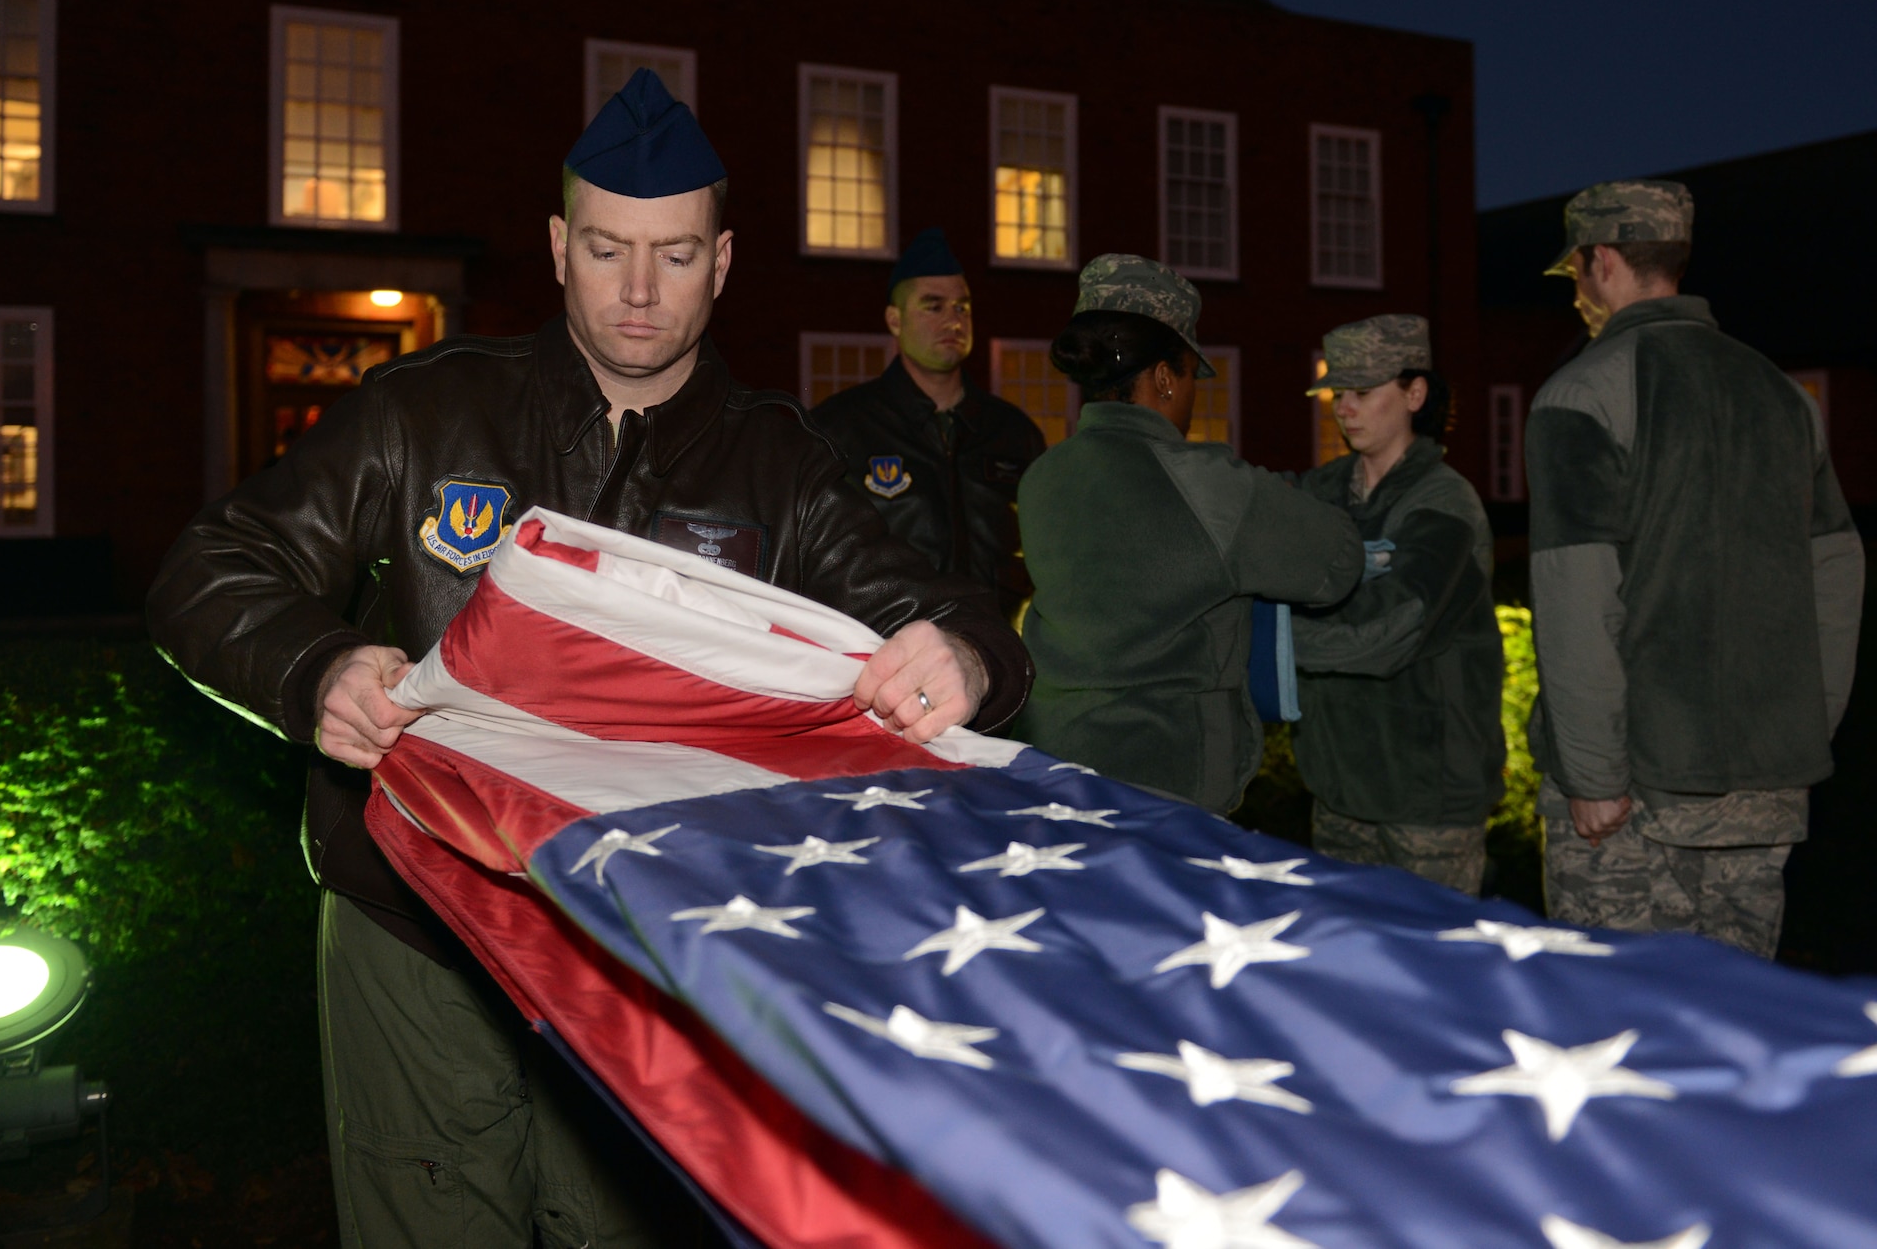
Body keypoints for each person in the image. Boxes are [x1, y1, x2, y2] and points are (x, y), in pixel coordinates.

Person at [145, 69, 1032, 1248]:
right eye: (608, 249)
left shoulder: (781, 463)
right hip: (413, 917)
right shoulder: (426, 411)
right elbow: (208, 567)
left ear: (721, 262)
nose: (636, 290)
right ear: (558, 245)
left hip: (643, 942)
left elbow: (946, 608)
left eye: (674, 256)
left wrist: (967, 654)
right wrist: (314, 669)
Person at [1527, 178, 1863, 956]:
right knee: (1732, 1029)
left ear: (1601, 261)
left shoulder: (1579, 394)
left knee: (1614, 1031)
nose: (1576, 293)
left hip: (1634, 789)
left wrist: (1591, 771)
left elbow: (1578, 594)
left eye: (1575, 274)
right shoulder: (1783, 395)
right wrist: (1801, 726)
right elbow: (1837, 572)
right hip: (1765, 784)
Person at [1013, 254, 1363, 811]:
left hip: (1053, 768)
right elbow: (1339, 564)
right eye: (1190, 375)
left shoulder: (1040, 478)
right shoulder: (1208, 483)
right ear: (1163, 378)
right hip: (1171, 781)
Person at [1290, 315, 1504, 894]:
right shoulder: (1318, 494)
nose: (1344, 407)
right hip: (1339, 789)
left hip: (1427, 801)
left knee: (1434, 972)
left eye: (1363, 392)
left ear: (1415, 393)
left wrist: (1274, 640)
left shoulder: (1445, 506)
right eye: (1339, 393)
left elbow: (1388, 631)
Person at [809, 228, 1047, 619]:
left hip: (997, 652)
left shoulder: (1014, 434)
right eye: (933, 306)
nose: (953, 320)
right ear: (894, 319)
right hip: (884, 653)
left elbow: (1046, 554)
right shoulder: (842, 427)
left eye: (962, 308)